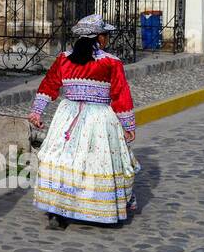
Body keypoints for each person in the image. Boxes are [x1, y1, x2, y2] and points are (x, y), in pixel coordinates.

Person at [26, 14, 139, 228]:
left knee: (62, 159)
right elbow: (120, 95)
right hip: (99, 118)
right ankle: (97, 209)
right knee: (98, 161)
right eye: (105, 34)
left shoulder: (63, 59)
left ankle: (58, 210)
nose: (107, 38)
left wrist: (37, 112)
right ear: (99, 37)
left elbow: (49, 85)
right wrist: (128, 126)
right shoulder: (111, 63)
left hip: (67, 116)